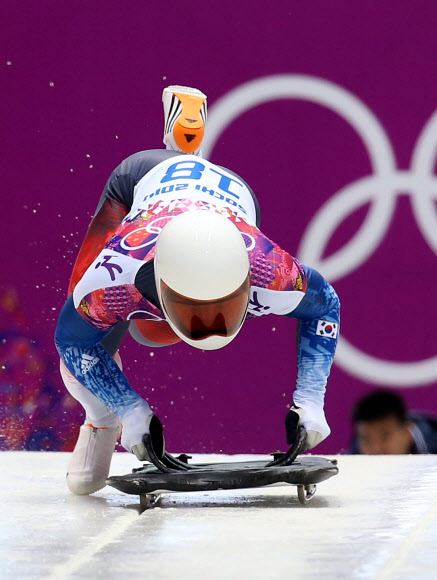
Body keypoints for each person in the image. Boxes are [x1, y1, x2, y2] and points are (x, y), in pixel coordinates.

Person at [55, 85, 340, 494]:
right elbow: (72, 342)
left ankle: (184, 137)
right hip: (141, 184)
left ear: (248, 282)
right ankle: (99, 421)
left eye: (221, 305)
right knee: (109, 328)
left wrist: (311, 399)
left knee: (153, 332)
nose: (209, 320)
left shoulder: (272, 270)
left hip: (232, 202)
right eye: (195, 307)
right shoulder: (114, 278)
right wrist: (126, 410)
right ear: (161, 288)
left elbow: (326, 306)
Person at [348, 388, 437, 454]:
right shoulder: (350, 461)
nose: (376, 449)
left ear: (407, 432)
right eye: (367, 440)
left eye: (385, 436)